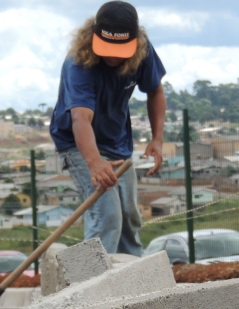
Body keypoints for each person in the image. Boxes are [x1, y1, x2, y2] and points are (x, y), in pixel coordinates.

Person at [50, 1, 166, 255]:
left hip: (116, 142)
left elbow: (155, 90)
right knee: (107, 217)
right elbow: (80, 119)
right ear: (94, 37)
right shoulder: (79, 64)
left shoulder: (142, 51)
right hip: (78, 143)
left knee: (129, 216)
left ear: (135, 42)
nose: (113, 56)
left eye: (120, 50)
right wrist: (94, 163)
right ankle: (94, 277)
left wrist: (157, 138)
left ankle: (132, 274)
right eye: (107, 48)